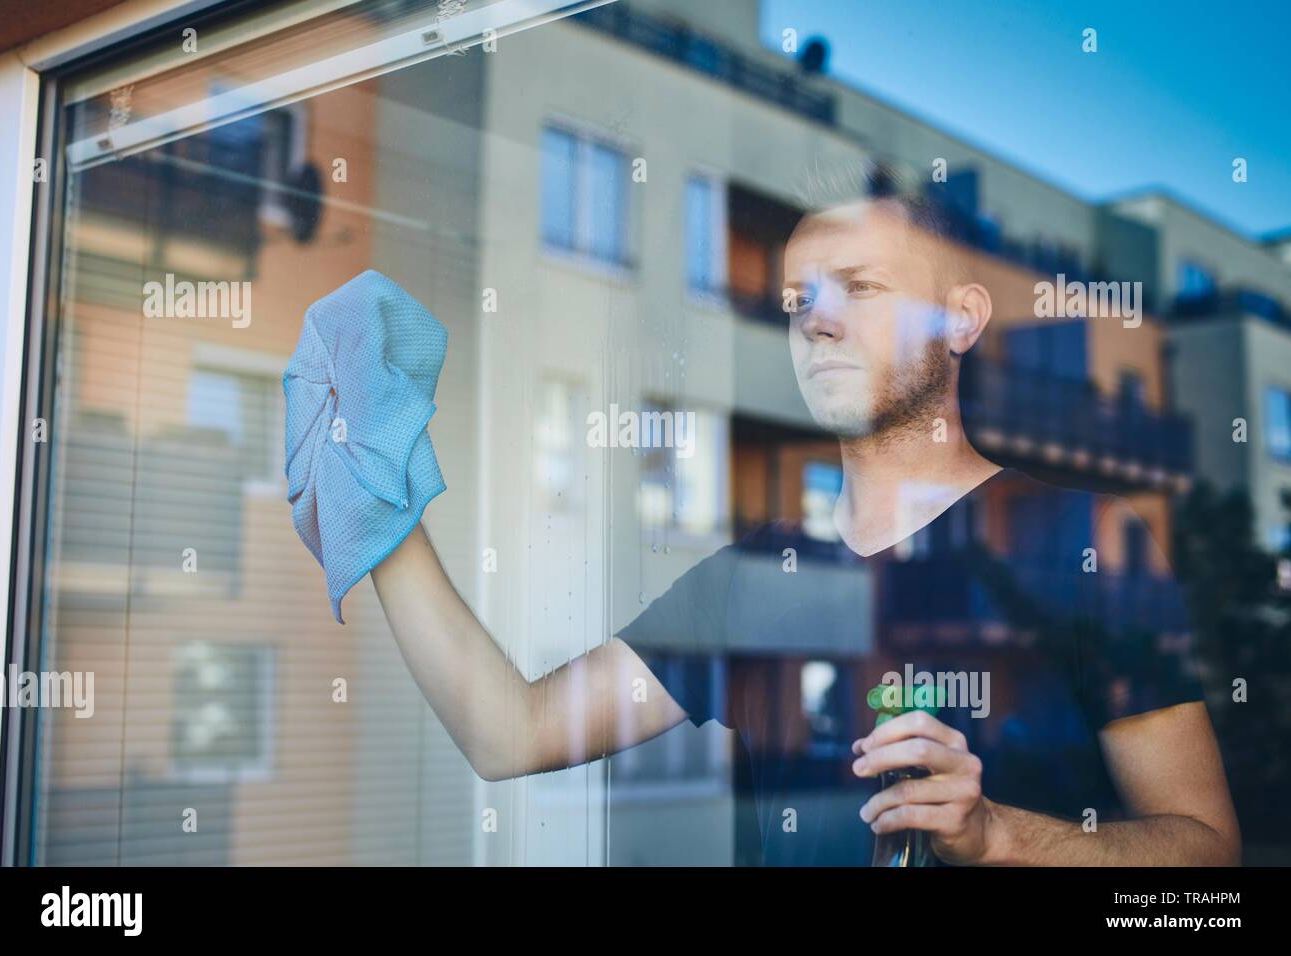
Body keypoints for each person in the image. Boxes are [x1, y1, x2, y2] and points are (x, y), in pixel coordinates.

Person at [370, 164, 1240, 866]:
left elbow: (1209, 856)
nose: (816, 324)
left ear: (963, 319)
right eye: (797, 301)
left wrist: (997, 837)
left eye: (858, 288)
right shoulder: (752, 580)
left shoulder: (1088, 541)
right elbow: (511, 735)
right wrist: (379, 514)